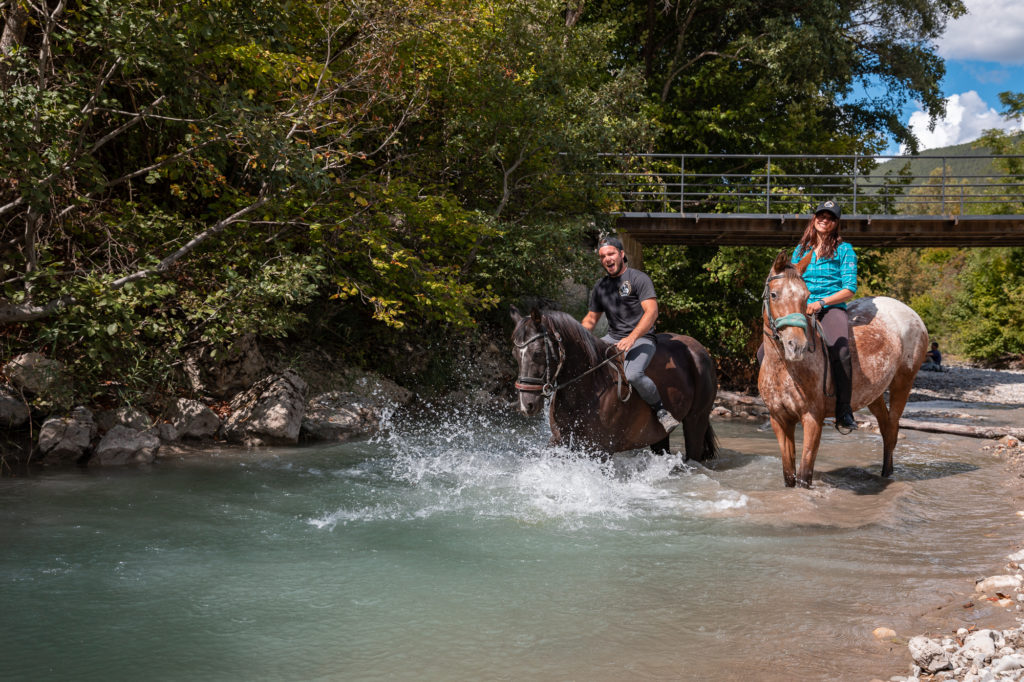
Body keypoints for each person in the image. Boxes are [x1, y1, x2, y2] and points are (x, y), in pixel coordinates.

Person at [580, 236, 681, 434]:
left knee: (633, 374)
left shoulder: (638, 279)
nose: (607, 259)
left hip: (642, 338)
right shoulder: (600, 287)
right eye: (603, 256)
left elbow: (652, 312)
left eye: (611, 254)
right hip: (612, 337)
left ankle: (661, 411)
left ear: (621, 255)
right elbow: (591, 320)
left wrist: (632, 337)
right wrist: (576, 339)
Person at [793, 199, 859, 431]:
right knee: (764, 351)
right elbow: (792, 281)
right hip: (801, 307)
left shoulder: (844, 250)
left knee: (841, 351)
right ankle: (784, 400)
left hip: (830, 307)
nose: (824, 220)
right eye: (821, 215)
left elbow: (849, 288)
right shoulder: (800, 251)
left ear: (836, 223)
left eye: (830, 217)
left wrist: (821, 303)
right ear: (814, 219)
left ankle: (843, 410)